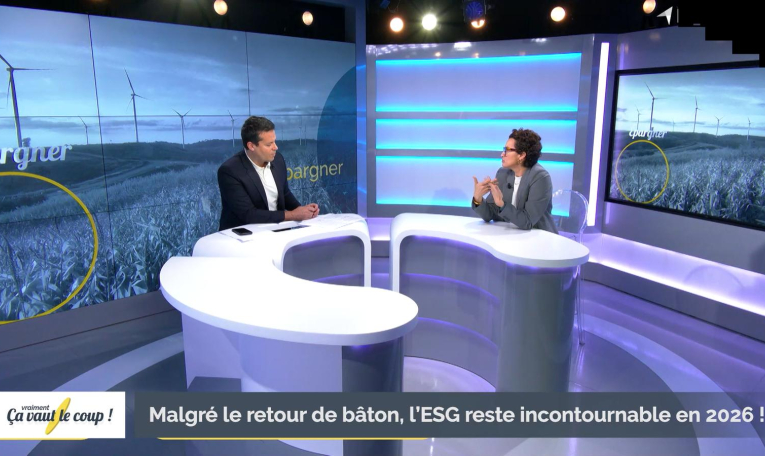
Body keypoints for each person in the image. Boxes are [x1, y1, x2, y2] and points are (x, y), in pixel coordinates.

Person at [218, 116, 319, 231]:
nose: (275, 147)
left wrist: (303, 210)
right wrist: (293, 215)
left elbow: (284, 193)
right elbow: (249, 214)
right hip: (243, 235)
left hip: (277, 231)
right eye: (269, 144)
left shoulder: (278, 159)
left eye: (274, 141)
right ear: (251, 146)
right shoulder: (230, 171)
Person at [471, 128, 557, 233]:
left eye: (507, 150)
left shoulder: (540, 177)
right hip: (511, 234)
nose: (502, 154)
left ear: (522, 155)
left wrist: (502, 205)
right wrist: (478, 199)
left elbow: (528, 221)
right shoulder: (503, 173)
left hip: (539, 236)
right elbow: (490, 214)